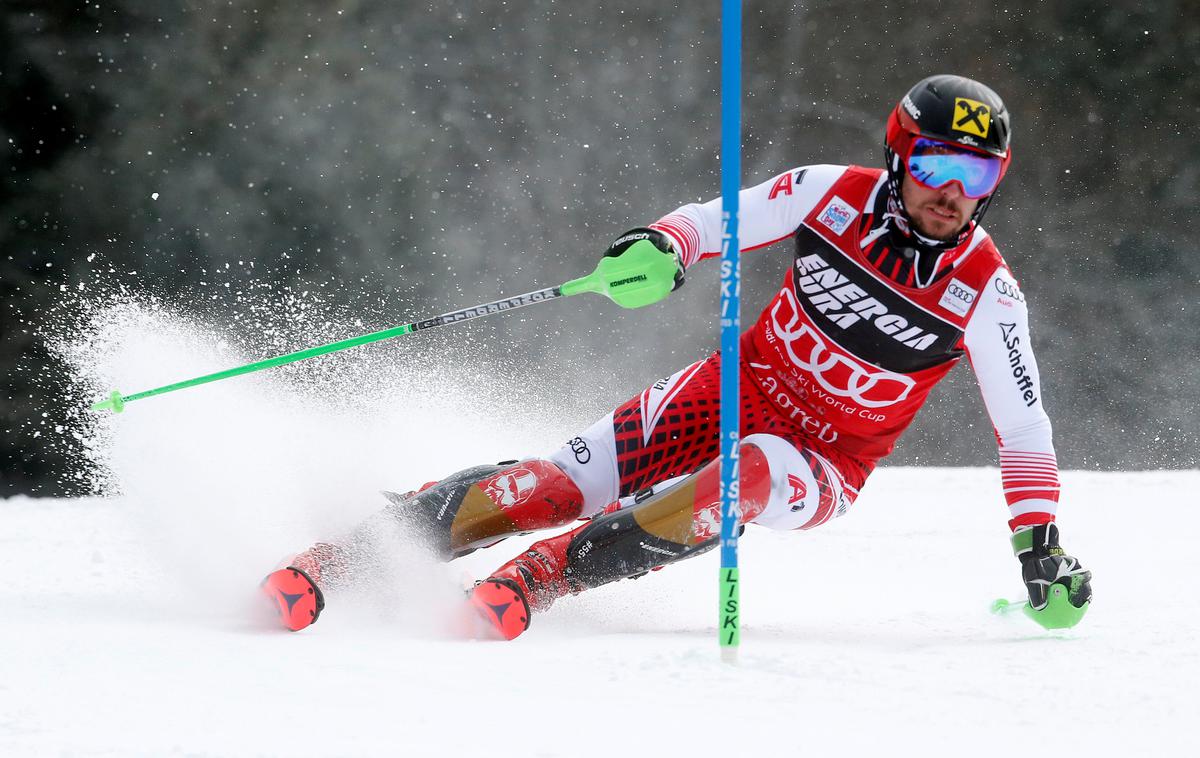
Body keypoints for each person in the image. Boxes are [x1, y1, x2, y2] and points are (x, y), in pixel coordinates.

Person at [262, 75, 1092, 639]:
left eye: (977, 175)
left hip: (823, 463)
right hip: (729, 390)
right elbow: (716, 221)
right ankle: (355, 552)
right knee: (555, 486)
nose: (953, 192)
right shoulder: (829, 193)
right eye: (939, 164)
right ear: (900, 154)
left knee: (752, 471)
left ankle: (546, 576)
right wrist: (661, 246)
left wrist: (1039, 546)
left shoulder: (988, 294)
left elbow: (1024, 434)